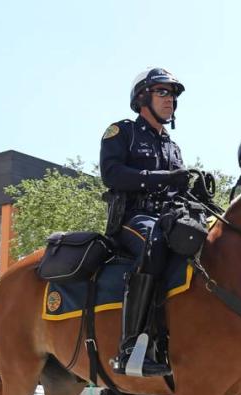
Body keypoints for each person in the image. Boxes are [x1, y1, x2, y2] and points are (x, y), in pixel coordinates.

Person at [100, 67, 188, 377]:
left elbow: (178, 188)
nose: (170, 100)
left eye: (173, 94)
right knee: (156, 243)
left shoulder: (172, 146)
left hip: (167, 217)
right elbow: (111, 173)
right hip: (132, 218)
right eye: (162, 92)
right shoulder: (121, 132)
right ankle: (130, 348)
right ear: (142, 98)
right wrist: (162, 177)